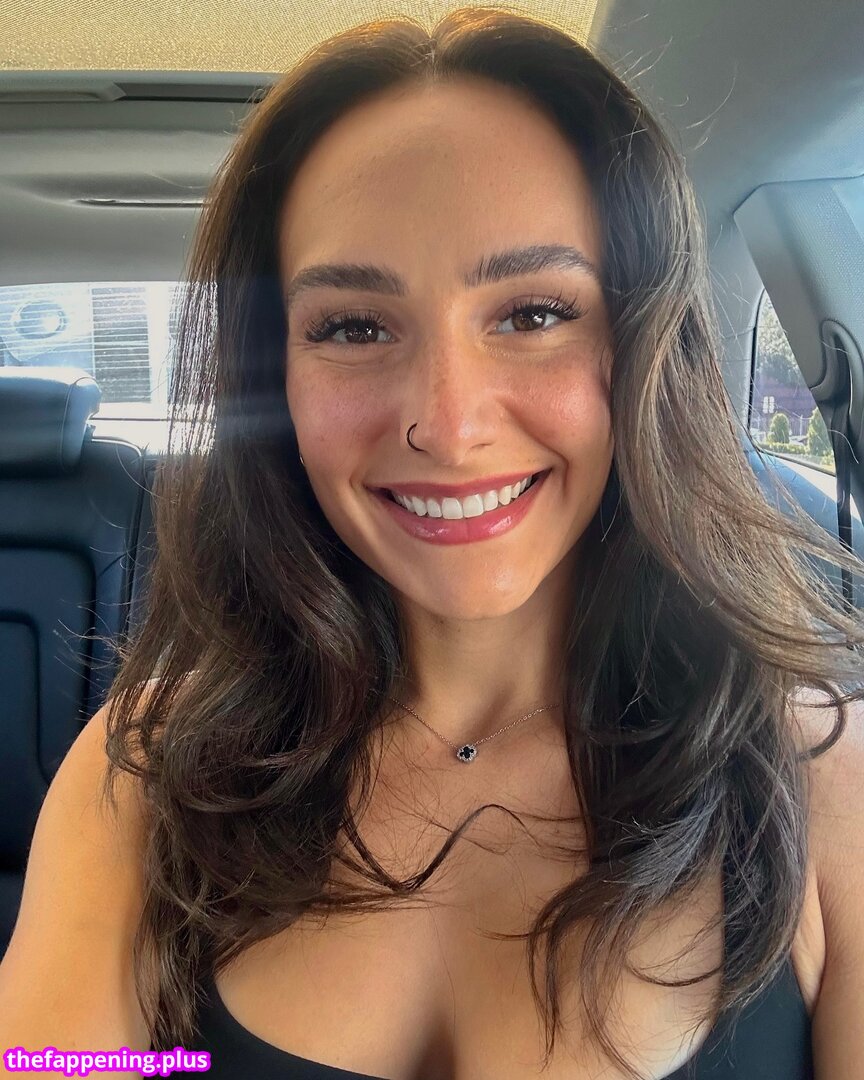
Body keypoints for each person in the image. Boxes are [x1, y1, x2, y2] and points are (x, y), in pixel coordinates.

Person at [2, 8, 863, 1080]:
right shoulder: (142, 776)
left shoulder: (827, 782)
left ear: (643, 342)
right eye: (354, 327)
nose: (449, 426)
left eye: (534, 313)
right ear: (276, 376)